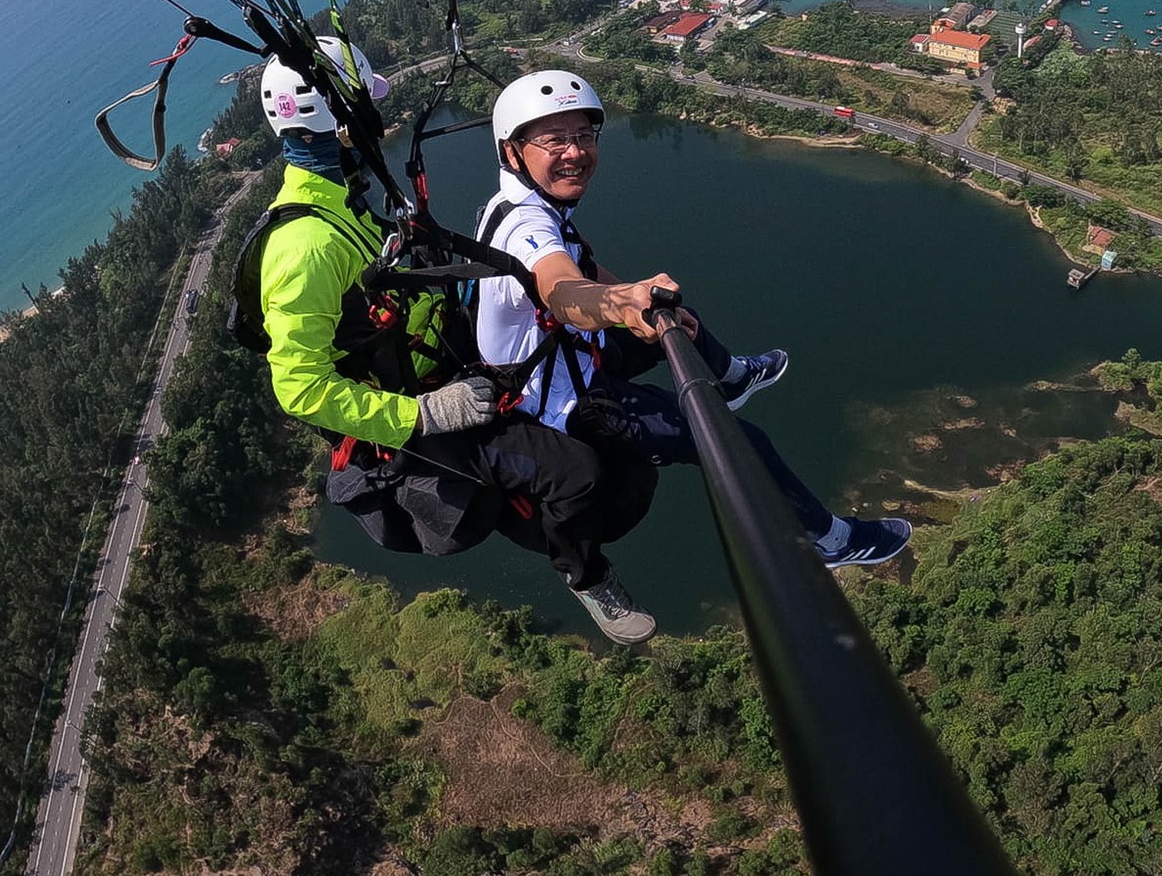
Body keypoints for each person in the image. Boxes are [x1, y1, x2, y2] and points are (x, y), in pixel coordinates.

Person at [249, 41, 659, 644]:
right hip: (421, 409)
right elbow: (299, 388)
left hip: (452, 362)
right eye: (367, 106)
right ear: (342, 120)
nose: (378, 121)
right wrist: (420, 416)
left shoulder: (346, 204)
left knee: (626, 387)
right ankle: (586, 575)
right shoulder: (305, 246)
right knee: (577, 474)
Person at [475, 69, 912, 571]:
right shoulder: (527, 227)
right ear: (512, 152)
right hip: (560, 400)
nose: (575, 152)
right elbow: (560, 289)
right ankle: (828, 540)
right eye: (554, 140)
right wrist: (619, 306)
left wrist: (638, 298)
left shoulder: (517, 203)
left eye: (583, 136)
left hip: (565, 355)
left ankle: (729, 377)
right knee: (737, 440)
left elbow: (583, 270)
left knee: (677, 318)